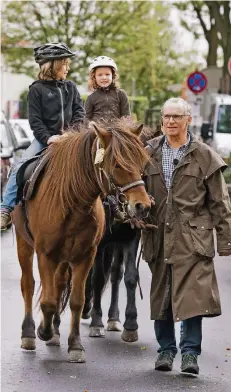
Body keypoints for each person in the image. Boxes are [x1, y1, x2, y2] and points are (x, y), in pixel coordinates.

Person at [142, 97, 231, 375]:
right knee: (162, 296)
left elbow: (220, 202)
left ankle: (190, 354)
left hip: (194, 239)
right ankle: (166, 350)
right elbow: (132, 191)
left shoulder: (204, 155)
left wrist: (226, 240)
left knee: (193, 297)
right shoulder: (148, 152)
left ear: (188, 120)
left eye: (176, 117)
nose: (170, 122)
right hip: (158, 236)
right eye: (166, 117)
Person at [1, 42, 85, 230]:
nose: (67, 67)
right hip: (44, 140)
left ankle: (110, 205)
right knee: (19, 167)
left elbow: (80, 112)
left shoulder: (70, 87)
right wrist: (49, 138)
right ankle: (5, 209)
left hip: (71, 140)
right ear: (52, 65)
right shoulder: (36, 90)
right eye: (64, 63)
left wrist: (71, 135)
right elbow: (35, 121)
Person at [85, 55, 131, 122]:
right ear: (94, 77)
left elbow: (126, 117)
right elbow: (86, 119)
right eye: (100, 75)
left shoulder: (121, 94)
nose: (104, 77)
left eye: (107, 74)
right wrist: (90, 124)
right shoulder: (90, 98)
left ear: (113, 76)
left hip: (117, 130)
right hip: (97, 131)